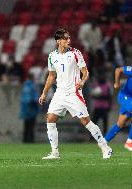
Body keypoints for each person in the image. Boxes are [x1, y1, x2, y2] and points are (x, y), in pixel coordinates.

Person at [39, 28, 112, 159]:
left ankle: (105, 147)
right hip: (59, 93)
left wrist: (82, 81)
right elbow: (51, 76)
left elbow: (85, 72)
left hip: (74, 92)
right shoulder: (52, 56)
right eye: (66, 38)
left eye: (69, 37)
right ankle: (55, 153)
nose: (69, 40)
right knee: (50, 119)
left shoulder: (75, 53)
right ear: (58, 41)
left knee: (85, 121)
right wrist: (44, 93)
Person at [20, 73, 39, 143]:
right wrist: (36, 101)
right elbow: (32, 98)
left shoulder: (26, 86)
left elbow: (24, 98)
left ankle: (25, 139)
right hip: (31, 109)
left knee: (27, 125)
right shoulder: (31, 86)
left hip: (26, 109)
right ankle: (30, 140)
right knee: (30, 125)